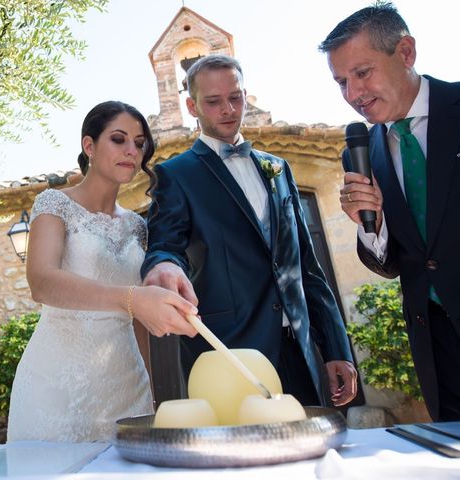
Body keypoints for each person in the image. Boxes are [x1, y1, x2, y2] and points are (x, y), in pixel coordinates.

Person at [320, 3, 460, 421]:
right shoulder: (360, 155)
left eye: (362, 73)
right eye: (341, 82)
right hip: (441, 364)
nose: (353, 94)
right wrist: (372, 226)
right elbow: (398, 262)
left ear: (406, 53)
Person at [141, 54, 357, 408]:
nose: (228, 109)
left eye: (235, 97)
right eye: (213, 101)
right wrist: (163, 264)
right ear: (192, 106)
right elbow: (165, 243)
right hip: (230, 357)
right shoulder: (176, 175)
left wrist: (335, 348)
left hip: (301, 352)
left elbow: (306, 264)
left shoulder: (279, 168)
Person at [7, 101, 198, 442]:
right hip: (56, 385)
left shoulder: (138, 226)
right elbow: (42, 282)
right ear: (89, 146)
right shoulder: (54, 204)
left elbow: (139, 321)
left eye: (139, 144)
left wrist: (149, 387)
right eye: (119, 139)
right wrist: (132, 298)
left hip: (126, 387)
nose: (131, 150)